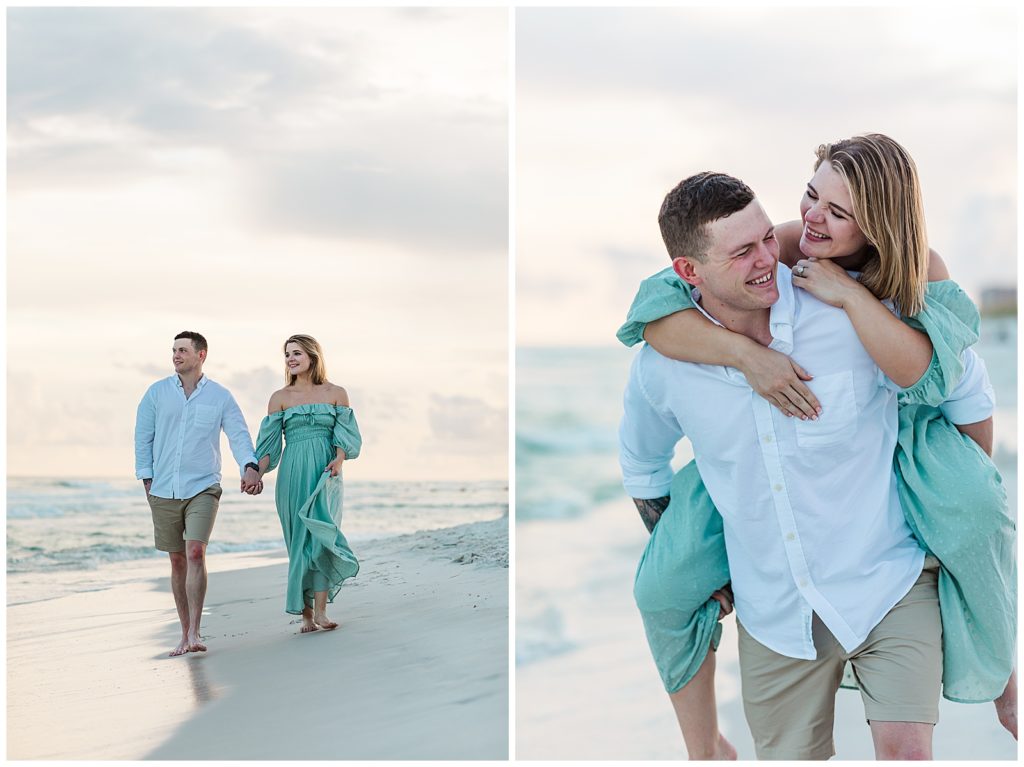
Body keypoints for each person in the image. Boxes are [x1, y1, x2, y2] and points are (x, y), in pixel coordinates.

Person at [619, 135, 1016, 752]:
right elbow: (659, 312)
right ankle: (703, 748)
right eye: (810, 195)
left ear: (879, 225)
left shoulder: (914, 277)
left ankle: (1002, 675)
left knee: (975, 514)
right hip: (768, 572)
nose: (810, 220)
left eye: (838, 211)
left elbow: (956, 386)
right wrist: (746, 357)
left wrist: (960, 476)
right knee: (662, 587)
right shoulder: (785, 244)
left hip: (902, 492)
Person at [135, 331, 263, 657]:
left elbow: (237, 433)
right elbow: (143, 436)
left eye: (182, 350)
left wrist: (249, 465)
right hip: (162, 488)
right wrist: (146, 478)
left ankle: (195, 631)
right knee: (177, 559)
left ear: (200, 355)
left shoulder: (220, 396)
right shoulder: (156, 393)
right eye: (173, 350)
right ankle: (183, 633)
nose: (176, 355)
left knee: (195, 553)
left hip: (203, 485)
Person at [253, 334, 361, 634]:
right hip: (292, 474)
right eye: (287, 354)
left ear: (313, 356)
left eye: (297, 353)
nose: (291, 359)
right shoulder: (280, 398)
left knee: (323, 537)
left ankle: (323, 612)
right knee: (298, 541)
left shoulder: (337, 393)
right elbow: (268, 447)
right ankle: (306, 616)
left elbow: (346, 435)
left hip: (327, 473)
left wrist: (339, 459)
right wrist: (256, 474)